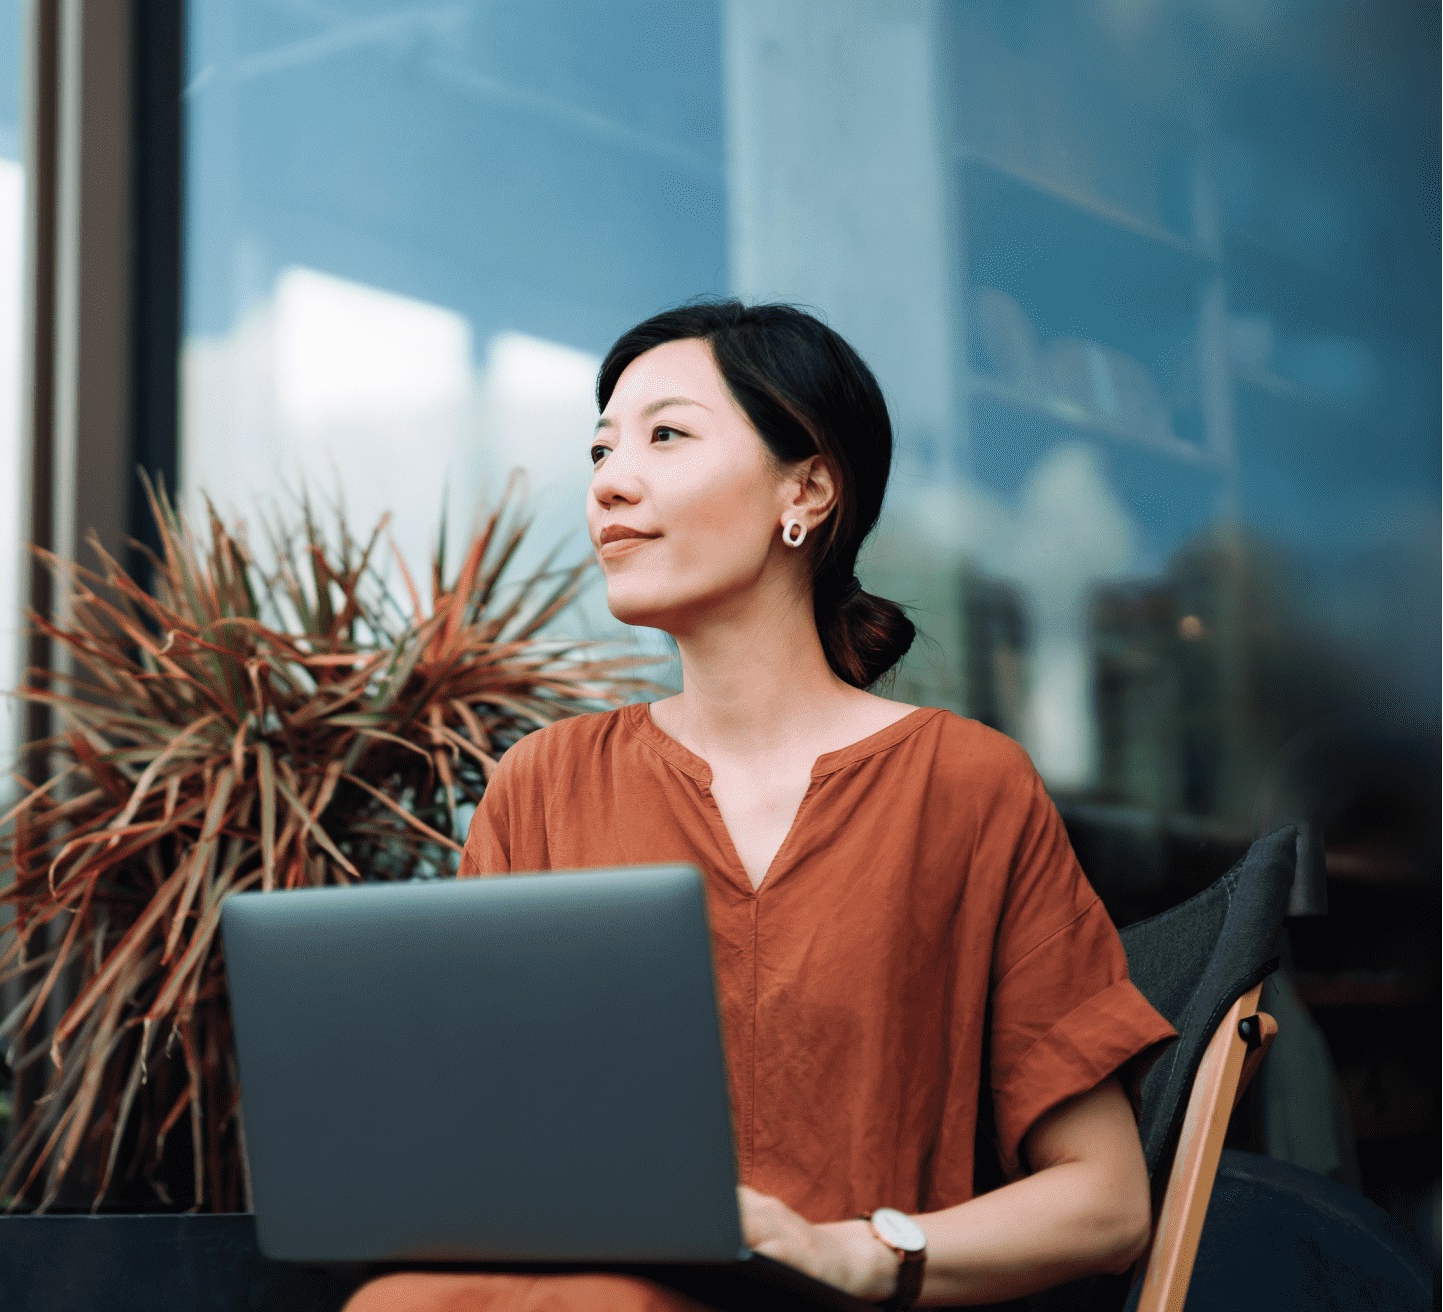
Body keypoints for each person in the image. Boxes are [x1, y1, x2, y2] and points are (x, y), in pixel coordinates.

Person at [346, 301, 1173, 1311]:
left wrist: (859, 1252)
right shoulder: (543, 784)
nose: (609, 480)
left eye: (666, 435)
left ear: (808, 488)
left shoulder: (965, 785)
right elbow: (478, 1143)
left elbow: (1106, 1202)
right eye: (602, 446)